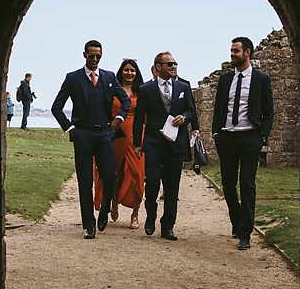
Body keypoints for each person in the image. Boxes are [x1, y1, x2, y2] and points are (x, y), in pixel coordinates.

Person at [51, 41, 131, 239]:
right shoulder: (73, 78)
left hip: (105, 133)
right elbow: (56, 107)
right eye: (91, 56)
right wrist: (70, 128)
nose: (95, 60)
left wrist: (118, 120)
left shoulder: (109, 77)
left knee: (110, 176)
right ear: (84, 55)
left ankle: (104, 211)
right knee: (85, 181)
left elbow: (126, 101)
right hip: (83, 135)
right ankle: (89, 225)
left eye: (98, 56)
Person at [211, 37, 274, 250]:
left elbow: (269, 111)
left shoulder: (261, 79)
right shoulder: (225, 79)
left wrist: (261, 136)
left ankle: (245, 233)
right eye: (231, 50)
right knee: (228, 185)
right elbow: (219, 107)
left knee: (247, 184)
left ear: (247, 52)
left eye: (236, 51)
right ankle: (236, 223)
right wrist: (216, 133)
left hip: (249, 137)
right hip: (227, 137)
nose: (232, 54)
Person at [132, 51, 197, 241]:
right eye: (169, 64)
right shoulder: (146, 90)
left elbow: (191, 111)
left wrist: (184, 117)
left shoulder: (184, 87)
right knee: (152, 182)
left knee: (172, 187)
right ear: (158, 67)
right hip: (153, 144)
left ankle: (168, 226)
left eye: (175, 64)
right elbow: (138, 119)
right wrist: (137, 143)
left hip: (176, 145)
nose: (173, 67)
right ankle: (151, 215)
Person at [92, 59, 147, 228]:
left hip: (136, 136)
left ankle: (135, 214)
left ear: (137, 73)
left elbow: (146, 116)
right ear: (121, 72)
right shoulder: (112, 91)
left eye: (132, 70)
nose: (129, 73)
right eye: (126, 70)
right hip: (115, 136)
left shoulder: (141, 92)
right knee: (113, 173)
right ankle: (113, 202)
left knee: (137, 174)